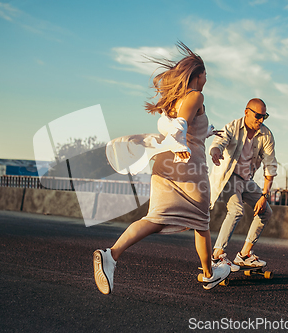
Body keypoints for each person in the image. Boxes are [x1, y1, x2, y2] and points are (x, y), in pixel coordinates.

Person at [93, 42, 229, 294]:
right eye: (206, 74)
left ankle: (111, 255)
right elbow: (181, 125)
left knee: (154, 218)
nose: (207, 79)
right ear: (197, 75)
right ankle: (209, 274)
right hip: (188, 166)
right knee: (201, 222)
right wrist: (182, 139)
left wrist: (205, 133)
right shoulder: (195, 95)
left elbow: (183, 127)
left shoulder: (173, 99)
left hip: (165, 164)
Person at [208, 98, 277, 269]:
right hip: (229, 177)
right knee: (236, 210)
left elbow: (270, 166)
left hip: (247, 180)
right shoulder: (233, 127)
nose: (261, 120)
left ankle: (244, 254)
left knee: (266, 212)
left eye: (264, 117)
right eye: (258, 116)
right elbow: (219, 141)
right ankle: (216, 256)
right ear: (246, 112)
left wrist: (264, 196)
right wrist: (216, 151)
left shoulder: (266, 135)